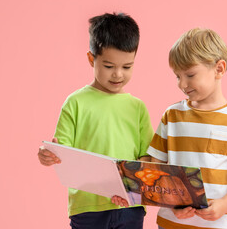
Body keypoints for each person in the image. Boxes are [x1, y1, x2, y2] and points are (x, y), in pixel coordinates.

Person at [114, 28, 227, 229]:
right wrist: (130, 190)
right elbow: (155, 168)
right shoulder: (172, 116)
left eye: (190, 75)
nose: (182, 84)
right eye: (177, 76)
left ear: (219, 69)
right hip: (171, 222)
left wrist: (225, 205)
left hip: (218, 224)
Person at [37, 12, 154, 229]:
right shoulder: (75, 103)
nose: (118, 74)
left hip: (130, 207)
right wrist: (49, 154)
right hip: (87, 208)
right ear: (92, 59)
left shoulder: (137, 108)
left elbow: (146, 157)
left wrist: (131, 188)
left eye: (127, 67)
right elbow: (63, 152)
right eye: (109, 66)